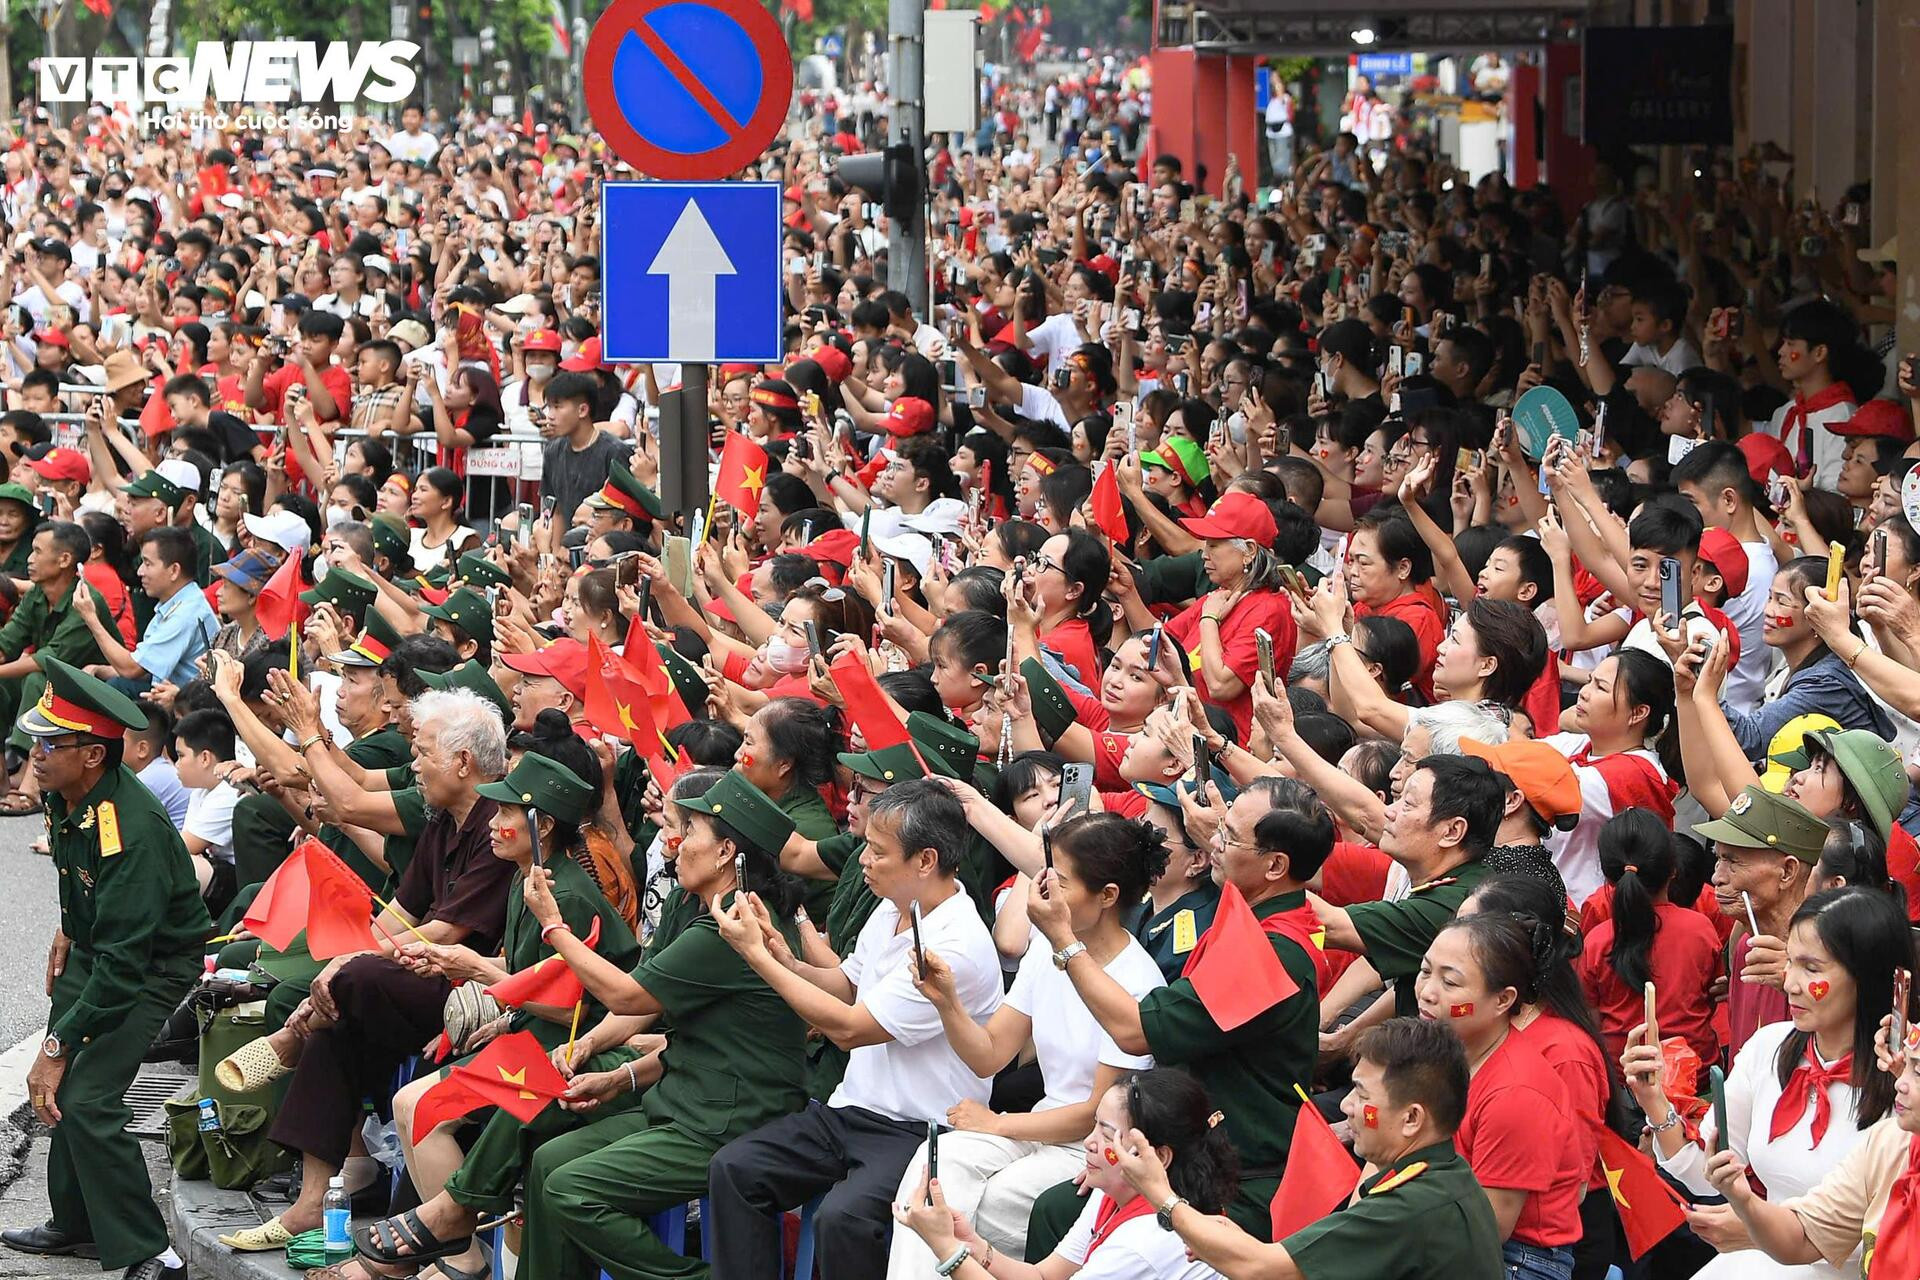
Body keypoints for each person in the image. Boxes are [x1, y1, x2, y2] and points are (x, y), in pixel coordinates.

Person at [213, 690, 512, 1252]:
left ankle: (291, 1037)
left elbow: (447, 933)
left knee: (356, 981)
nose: (413, 764)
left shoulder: (499, 824)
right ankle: (310, 1204)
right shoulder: (444, 819)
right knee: (338, 1022)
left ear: (463, 762)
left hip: (472, 992)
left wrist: (350, 965)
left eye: (423, 753)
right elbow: (402, 910)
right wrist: (340, 962)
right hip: (418, 976)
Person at [706, 779, 1003, 1280]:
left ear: (925, 860)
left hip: (918, 1129)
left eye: (878, 851)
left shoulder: (955, 945)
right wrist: (783, 956)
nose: (863, 860)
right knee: (734, 1169)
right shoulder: (893, 907)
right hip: (850, 1110)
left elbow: (848, 1029)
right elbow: (848, 986)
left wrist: (757, 959)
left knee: (843, 1219)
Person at [1028, 778, 1330, 1240]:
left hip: (1235, 1180)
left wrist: (1063, 940)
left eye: (1228, 836)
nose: (1214, 844)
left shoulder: (1272, 952)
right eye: (1219, 828)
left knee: (1061, 1214)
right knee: (1057, 1209)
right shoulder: (1260, 906)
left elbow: (1133, 1031)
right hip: (1190, 1150)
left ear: (1275, 865)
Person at [1, 657, 211, 1280]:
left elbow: (125, 965)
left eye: (51, 744)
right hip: (103, 944)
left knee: (87, 1098)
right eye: (35, 740)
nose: (35, 755)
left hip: (151, 965)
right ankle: (79, 1223)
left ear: (93, 755)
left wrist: (57, 1045)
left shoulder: (131, 829)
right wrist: (69, 928)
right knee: (55, 1091)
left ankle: (153, 1251)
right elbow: (81, 877)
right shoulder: (70, 795)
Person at [890, 813, 1168, 1274]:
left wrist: (998, 1124)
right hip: (1035, 1127)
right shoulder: (1045, 949)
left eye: (1059, 881)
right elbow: (989, 1053)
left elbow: (1094, 1112)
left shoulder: (1137, 983)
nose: (1043, 889)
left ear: (1107, 896)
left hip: (1088, 1147)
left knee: (993, 1203)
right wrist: (947, 1003)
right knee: (937, 1166)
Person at [1624, 885, 1912, 1279]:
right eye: (1790, 962)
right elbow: (1709, 1171)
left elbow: (1894, 1233)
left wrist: (1759, 1228)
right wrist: (1653, 1099)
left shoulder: (1906, 1084)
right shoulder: (1769, 1048)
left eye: (1812, 968)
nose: (1790, 983)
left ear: (1868, 974)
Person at [1115, 1017, 1503, 1280]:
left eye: (1362, 1095)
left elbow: (1260, 1269)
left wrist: (1161, 1195)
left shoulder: (1412, 1207)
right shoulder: (1439, 1178)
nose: (1346, 1105)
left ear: (1412, 1118)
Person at [890, 1068, 1239, 1280]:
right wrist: (971, 1243)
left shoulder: (1147, 1240)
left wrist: (946, 1247)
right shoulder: (1112, 1193)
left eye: (1107, 1135)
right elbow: (1043, 1275)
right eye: (1094, 1126)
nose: (1089, 1142)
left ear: (1159, 1156)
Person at [1417, 912, 1586, 1279]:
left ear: (1503, 1000)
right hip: (1435, 1217)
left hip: (1517, 1258)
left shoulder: (1517, 1093)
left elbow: (1486, 1229)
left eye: (1450, 982)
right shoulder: (1432, 1051)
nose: (1427, 992)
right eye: (1425, 971)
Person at [1696, 783, 1830, 1056]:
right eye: (1718, 858)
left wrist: (1796, 985)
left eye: (1733, 861)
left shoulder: (1832, 957)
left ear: (1787, 872)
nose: (1717, 877)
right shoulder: (1746, 947)